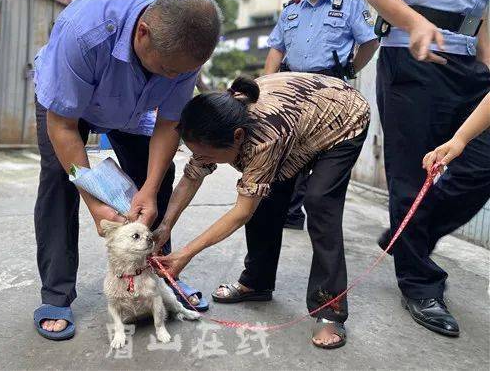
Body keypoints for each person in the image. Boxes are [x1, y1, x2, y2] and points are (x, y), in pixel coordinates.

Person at [32, 0, 221, 340]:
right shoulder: (83, 33)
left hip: (135, 107)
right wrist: (95, 205)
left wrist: (148, 188)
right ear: (142, 33)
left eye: (180, 74)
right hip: (71, 104)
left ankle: (161, 275)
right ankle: (56, 294)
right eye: (167, 69)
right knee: (60, 181)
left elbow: (168, 123)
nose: (172, 78)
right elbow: (63, 126)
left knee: (159, 179)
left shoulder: (182, 54)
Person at [153, 74, 370, 349]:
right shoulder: (218, 120)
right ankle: (257, 283)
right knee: (265, 198)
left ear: (238, 137)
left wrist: (185, 254)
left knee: (319, 202)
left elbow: (241, 211)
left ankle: (330, 308)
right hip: (299, 119)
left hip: (342, 118)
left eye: (206, 155)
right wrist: (165, 226)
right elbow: (191, 177)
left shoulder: (263, 139)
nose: (201, 160)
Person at [366, 0, 490, 337]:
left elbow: (480, 9)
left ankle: (407, 236)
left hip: (470, 60)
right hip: (415, 54)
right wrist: (415, 23)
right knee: (413, 177)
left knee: (482, 162)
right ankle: (420, 283)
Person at [264, 0, 378, 230]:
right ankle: (288, 213)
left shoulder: (350, 5)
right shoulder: (291, 10)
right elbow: (276, 50)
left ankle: (307, 211)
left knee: (319, 153)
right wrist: (266, 86)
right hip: (291, 88)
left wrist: (351, 69)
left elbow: (370, 42)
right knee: (289, 149)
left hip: (329, 91)